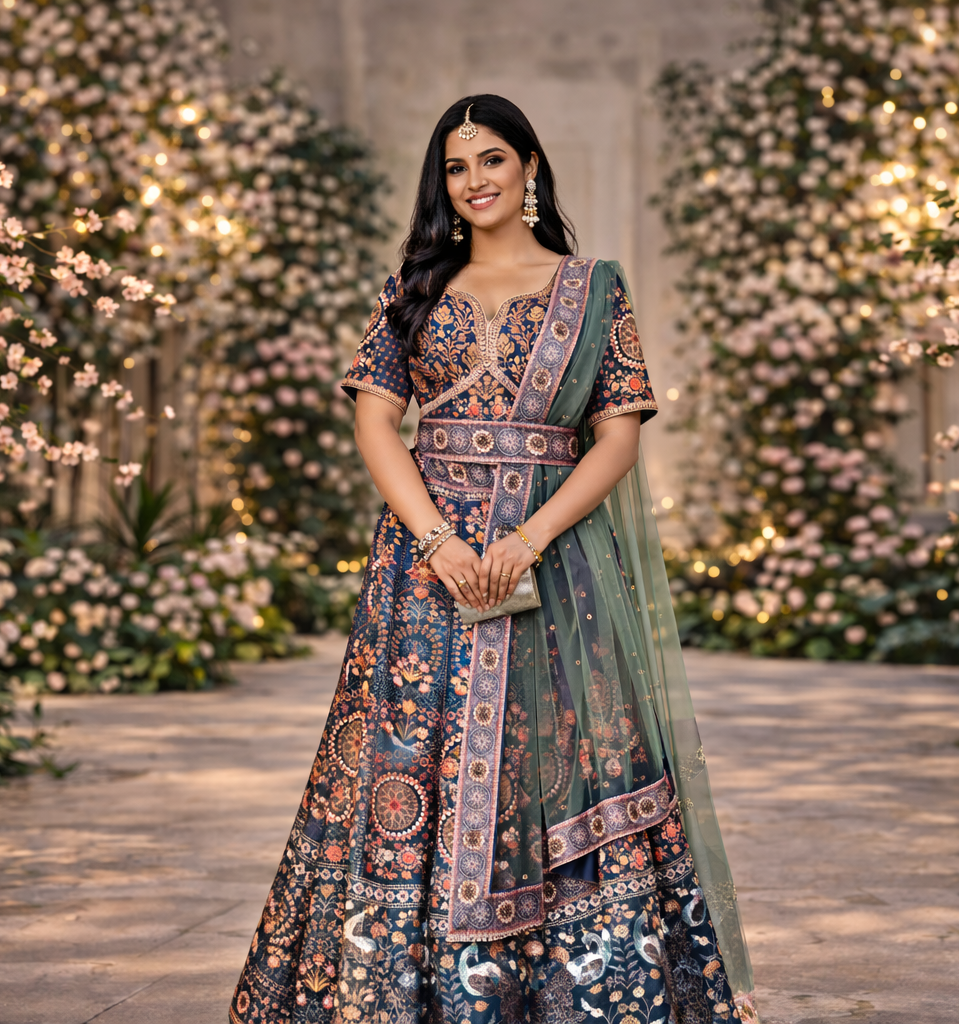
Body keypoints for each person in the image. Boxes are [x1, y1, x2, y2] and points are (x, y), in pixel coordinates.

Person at [229, 95, 757, 1024]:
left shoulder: (595, 288)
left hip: (556, 567)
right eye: (456, 168)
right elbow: (374, 418)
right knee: (409, 766)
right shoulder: (412, 286)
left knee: (555, 766)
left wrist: (526, 540)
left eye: (492, 162)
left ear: (530, 168)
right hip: (423, 570)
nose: (474, 183)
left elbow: (617, 437)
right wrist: (438, 539)